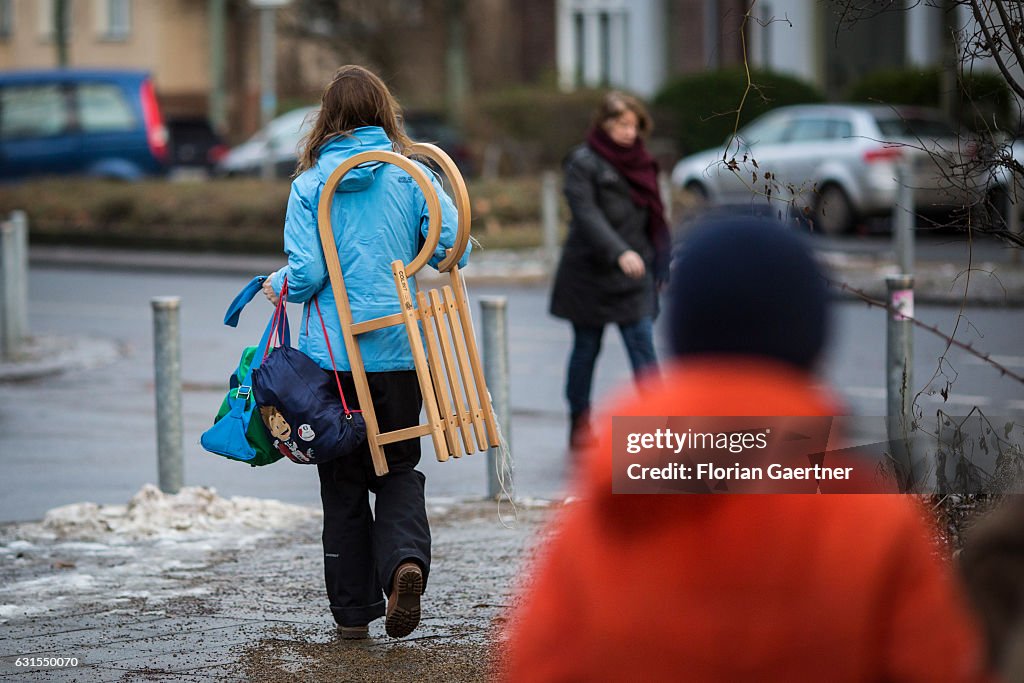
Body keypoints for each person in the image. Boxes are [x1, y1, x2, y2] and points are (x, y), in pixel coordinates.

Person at [501, 216, 991, 682]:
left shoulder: (602, 514)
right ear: (814, 339)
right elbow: (935, 666)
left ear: (682, 335)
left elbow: (539, 665)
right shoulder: (876, 521)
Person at [260, 65, 468, 640]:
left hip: (334, 361)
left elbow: (306, 276)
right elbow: (455, 248)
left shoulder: (309, 186)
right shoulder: (415, 173)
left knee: (343, 484)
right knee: (399, 466)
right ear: (385, 113)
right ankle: (404, 561)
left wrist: (274, 284)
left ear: (326, 119)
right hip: (403, 354)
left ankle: (353, 616)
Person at [549, 91, 671, 449]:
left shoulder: (643, 162)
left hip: (634, 274)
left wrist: (660, 257)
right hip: (591, 273)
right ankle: (579, 424)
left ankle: (662, 429)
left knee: (643, 349)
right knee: (586, 349)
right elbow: (586, 215)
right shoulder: (583, 163)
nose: (629, 132)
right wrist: (619, 252)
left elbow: (655, 215)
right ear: (603, 124)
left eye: (634, 125)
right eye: (621, 124)